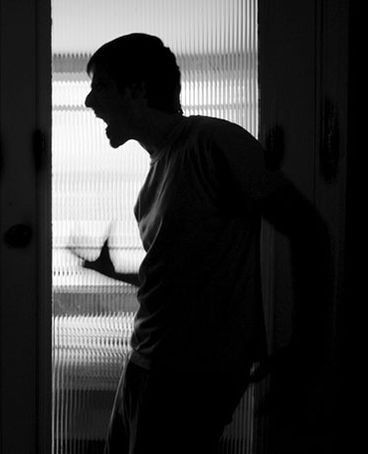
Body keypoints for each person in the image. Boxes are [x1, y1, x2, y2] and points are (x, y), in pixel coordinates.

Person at [83, 34, 332, 453]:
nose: (90, 102)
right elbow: (184, 274)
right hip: (145, 362)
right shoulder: (152, 179)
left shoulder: (212, 141)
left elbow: (308, 229)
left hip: (191, 373)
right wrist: (115, 274)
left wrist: (306, 349)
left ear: (138, 89)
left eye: (101, 85)